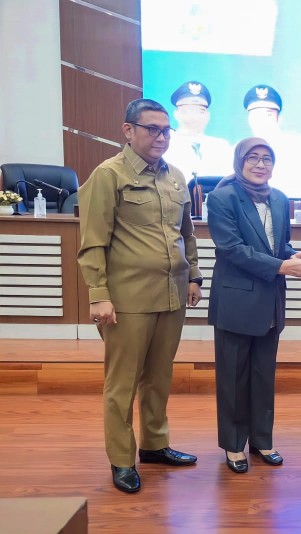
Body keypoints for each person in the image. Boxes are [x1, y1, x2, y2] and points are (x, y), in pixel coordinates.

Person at [77, 98, 203, 493]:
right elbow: (92, 243)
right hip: (128, 300)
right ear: (128, 130)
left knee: (159, 377)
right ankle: (121, 459)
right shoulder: (108, 175)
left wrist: (195, 277)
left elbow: (187, 235)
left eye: (166, 130)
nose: (160, 137)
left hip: (173, 295)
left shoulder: (177, 177)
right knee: (122, 384)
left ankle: (154, 444)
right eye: (151, 129)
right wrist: (99, 294)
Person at [206, 137, 301, 474]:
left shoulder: (281, 198)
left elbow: (278, 244)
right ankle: (233, 445)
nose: (260, 164)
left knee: (262, 376)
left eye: (267, 159)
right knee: (233, 378)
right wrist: (281, 266)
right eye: (253, 158)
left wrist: (291, 255)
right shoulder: (222, 197)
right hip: (236, 302)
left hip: (270, 302)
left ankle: (261, 440)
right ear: (239, 161)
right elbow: (231, 248)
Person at [244, 84, 301, 198]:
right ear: (249, 119)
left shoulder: (299, 149)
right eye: (256, 115)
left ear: (279, 119)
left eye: (268, 115)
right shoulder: (238, 151)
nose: (262, 121)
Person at [164, 81, 233, 179]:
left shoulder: (222, 147)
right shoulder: (165, 144)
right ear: (177, 114)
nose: (195, 115)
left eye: (201, 110)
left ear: (208, 115)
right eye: (189, 109)